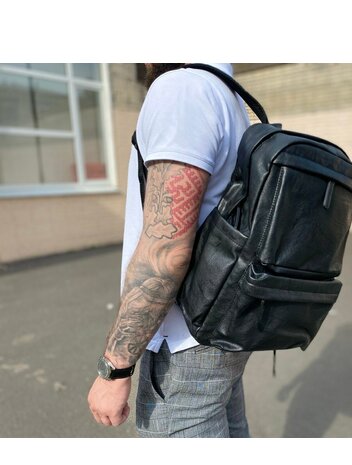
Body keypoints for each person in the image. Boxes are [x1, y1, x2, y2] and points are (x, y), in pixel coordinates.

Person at [87, 63, 253, 437]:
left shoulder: (181, 90)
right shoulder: (229, 96)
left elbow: (165, 252)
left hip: (183, 344)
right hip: (224, 328)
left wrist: (114, 368)